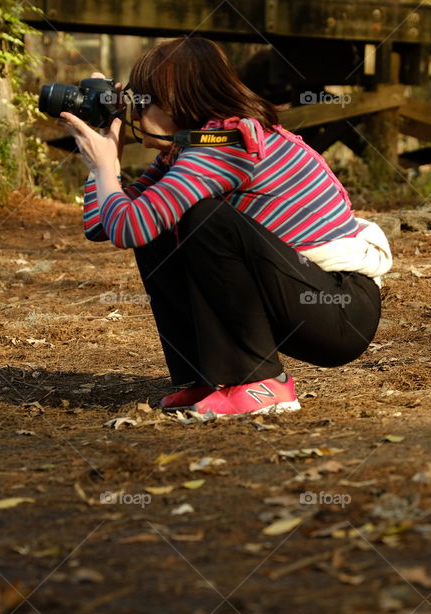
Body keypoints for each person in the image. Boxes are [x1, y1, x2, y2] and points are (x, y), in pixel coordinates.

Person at [59, 36, 391, 418]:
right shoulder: (188, 149)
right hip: (306, 293)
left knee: (204, 218)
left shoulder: (225, 145)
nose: (133, 114)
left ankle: (262, 383)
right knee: (157, 221)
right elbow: (104, 224)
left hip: (340, 311)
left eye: (143, 102)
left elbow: (126, 228)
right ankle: (206, 377)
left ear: (179, 101)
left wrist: (105, 169)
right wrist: (103, 162)